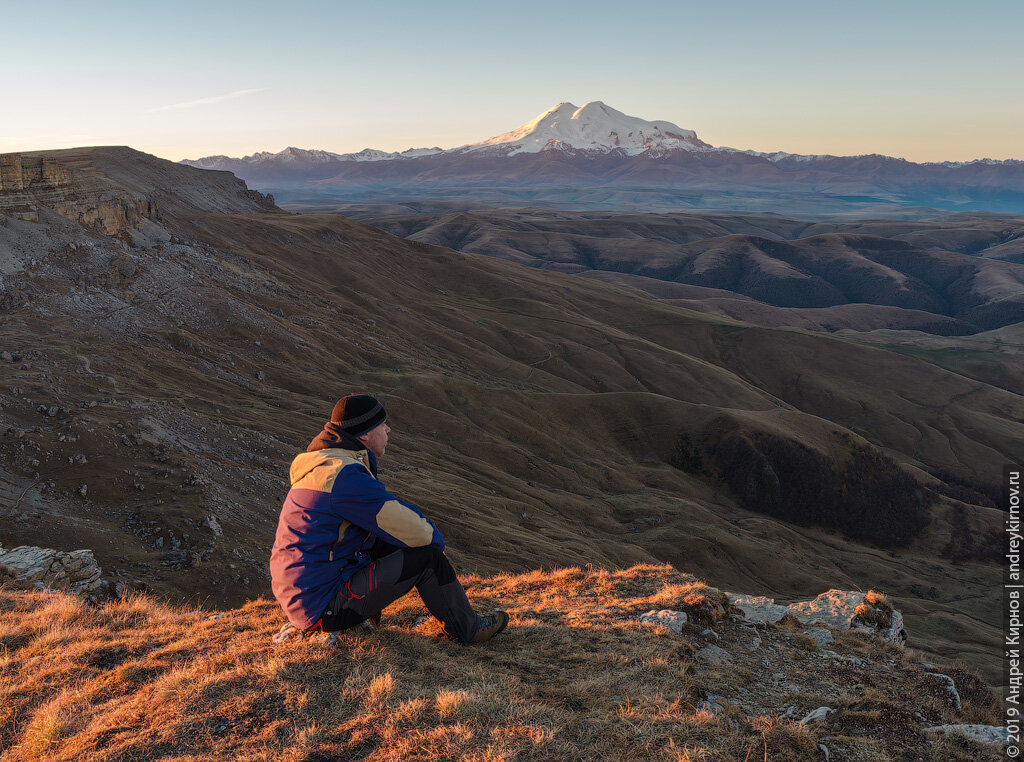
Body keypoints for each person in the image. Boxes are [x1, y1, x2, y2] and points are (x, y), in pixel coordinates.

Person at [270, 394, 508, 645]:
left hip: (306, 597)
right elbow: (402, 523)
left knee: (385, 542)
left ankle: (371, 610)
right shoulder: (344, 477)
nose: (388, 429)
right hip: (323, 606)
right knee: (428, 558)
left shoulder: (325, 467)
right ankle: (468, 629)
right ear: (364, 435)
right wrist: (436, 543)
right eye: (382, 425)